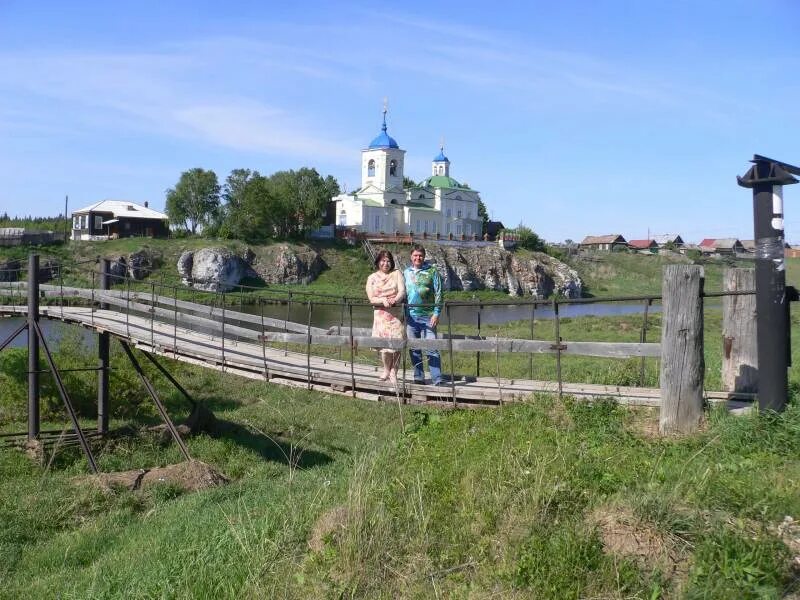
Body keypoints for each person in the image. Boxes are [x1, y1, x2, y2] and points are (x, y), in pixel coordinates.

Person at [403, 244, 443, 385]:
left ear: (424, 257)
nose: (418, 258)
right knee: (414, 348)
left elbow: (439, 293)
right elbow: (403, 293)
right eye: (415, 255)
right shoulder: (406, 272)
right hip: (411, 317)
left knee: (431, 347)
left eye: (420, 255)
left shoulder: (432, 271)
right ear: (411, 257)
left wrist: (436, 313)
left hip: (428, 316)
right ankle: (418, 377)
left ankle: (437, 379)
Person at [365, 249, 406, 385]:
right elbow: (371, 298)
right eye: (383, 260)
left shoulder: (397, 273)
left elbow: (402, 291)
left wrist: (396, 300)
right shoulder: (372, 278)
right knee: (384, 346)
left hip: (396, 314)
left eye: (388, 260)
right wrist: (383, 300)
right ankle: (386, 370)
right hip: (381, 315)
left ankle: (394, 371)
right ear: (378, 262)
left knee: (397, 344)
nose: (386, 263)